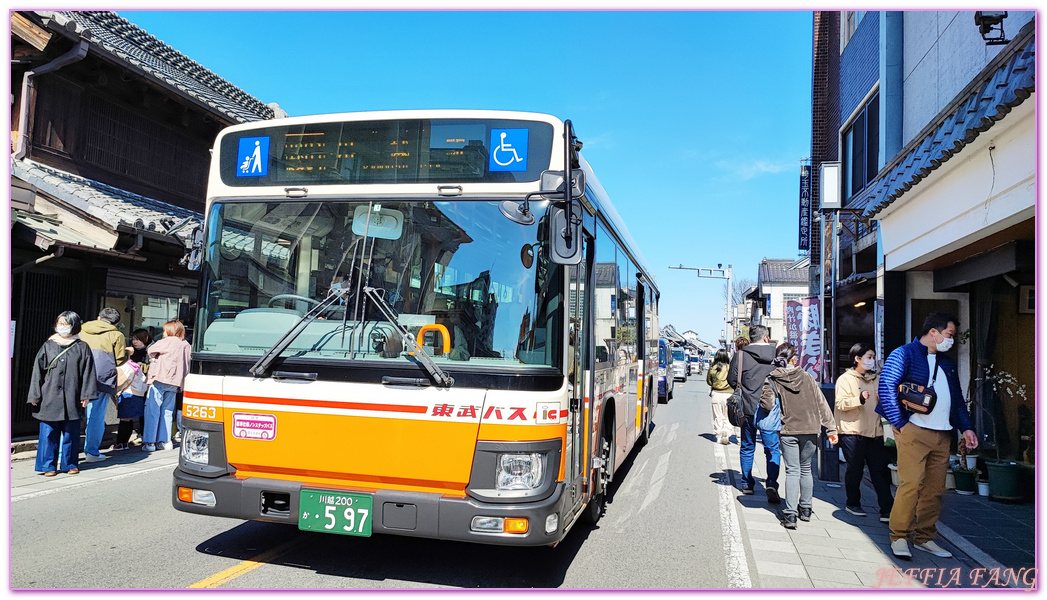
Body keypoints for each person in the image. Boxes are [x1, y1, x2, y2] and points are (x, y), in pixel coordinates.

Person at [877, 312, 977, 560]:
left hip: (943, 433)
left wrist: (967, 427)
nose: (951, 340)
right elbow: (886, 387)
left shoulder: (948, 363)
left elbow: (957, 402)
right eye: (949, 335)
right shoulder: (904, 353)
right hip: (914, 430)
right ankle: (899, 536)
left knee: (935, 489)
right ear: (934, 331)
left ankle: (925, 537)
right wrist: (901, 423)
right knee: (911, 484)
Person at [760, 342, 838, 529]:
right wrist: (832, 428)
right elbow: (822, 404)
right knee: (805, 469)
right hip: (810, 428)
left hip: (788, 429)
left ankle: (790, 515)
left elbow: (767, 405)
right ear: (794, 358)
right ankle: (806, 509)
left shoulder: (772, 379)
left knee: (792, 471)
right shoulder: (808, 377)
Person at [27, 312, 97, 476]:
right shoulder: (49, 345)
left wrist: (86, 394)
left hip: (73, 395)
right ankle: (47, 465)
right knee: (48, 432)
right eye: (60, 323)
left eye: (66, 323)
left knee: (71, 433)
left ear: (74, 325)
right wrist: (35, 395)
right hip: (49, 395)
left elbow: (88, 372)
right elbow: (37, 372)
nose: (62, 326)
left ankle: (70, 463)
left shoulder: (82, 346)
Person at [835, 342, 894, 522]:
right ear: (857, 359)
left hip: (875, 431)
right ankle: (853, 503)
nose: (872, 360)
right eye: (868, 357)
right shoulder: (846, 379)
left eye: (873, 357)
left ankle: (887, 509)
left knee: (880, 471)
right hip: (853, 431)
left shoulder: (877, 378)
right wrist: (859, 399)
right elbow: (840, 404)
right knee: (855, 470)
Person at [727, 325, 780, 502]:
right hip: (770, 409)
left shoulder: (741, 355)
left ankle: (747, 483)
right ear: (766, 338)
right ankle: (771, 482)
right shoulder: (776, 355)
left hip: (748, 408)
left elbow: (732, 380)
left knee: (748, 446)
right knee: (772, 449)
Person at [79, 307, 128, 462]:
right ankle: (91, 453)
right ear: (116, 323)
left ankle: (62, 454)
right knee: (96, 416)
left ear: (98, 317)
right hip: (101, 378)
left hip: (78, 376)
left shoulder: (81, 329)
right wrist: (128, 353)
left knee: (71, 416)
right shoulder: (116, 334)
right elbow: (119, 359)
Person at [143, 320, 191, 452]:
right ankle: (165, 441)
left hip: (160, 378)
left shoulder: (167, 341)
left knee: (152, 411)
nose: (163, 333)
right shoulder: (186, 344)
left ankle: (150, 442)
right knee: (168, 411)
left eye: (165, 330)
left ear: (170, 331)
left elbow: (151, 350)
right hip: (176, 382)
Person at [113, 329, 151, 450]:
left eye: (138, 339)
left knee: (127, 417)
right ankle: (125, 442)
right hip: (136, 388)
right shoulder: (133, 353)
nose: (135, 342)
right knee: (128, 417)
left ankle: (127, 441)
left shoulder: (150, 352)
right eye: (133, 339)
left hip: (134, 389)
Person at [706, 348, 734, 444]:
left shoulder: (713, 368)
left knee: (717, 416)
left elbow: (709, 382)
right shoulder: (730, 368)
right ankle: (726, 431)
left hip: (716, 394)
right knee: (727, 416)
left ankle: (718, 435)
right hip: (729, 394)